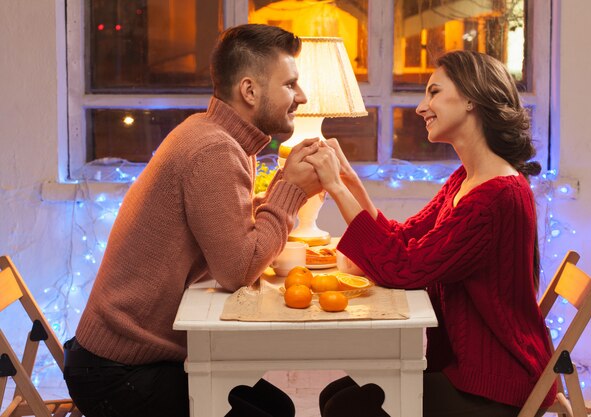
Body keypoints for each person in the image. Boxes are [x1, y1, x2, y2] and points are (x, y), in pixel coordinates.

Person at [63, 24, 323, 417]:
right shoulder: (214, 150)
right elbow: (238, 269)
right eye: (290, 85)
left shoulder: (212, 134)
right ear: (250, 91)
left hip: (121, 357)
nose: (301, 97)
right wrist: (289, 189)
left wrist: (280, 191)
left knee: (279, 407)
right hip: (119, 372)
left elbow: (221, 222)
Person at [305, 50, 556, 417]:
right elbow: (405, 240)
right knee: (336, 396)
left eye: (434, 92)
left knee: (345, 406)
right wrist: (351, 184)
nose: (422, 107)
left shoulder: (495, 195)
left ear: (471, 97)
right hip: (465, 369)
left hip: (492, 384)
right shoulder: (468, 179)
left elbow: (404, 269)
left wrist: (336, 190)